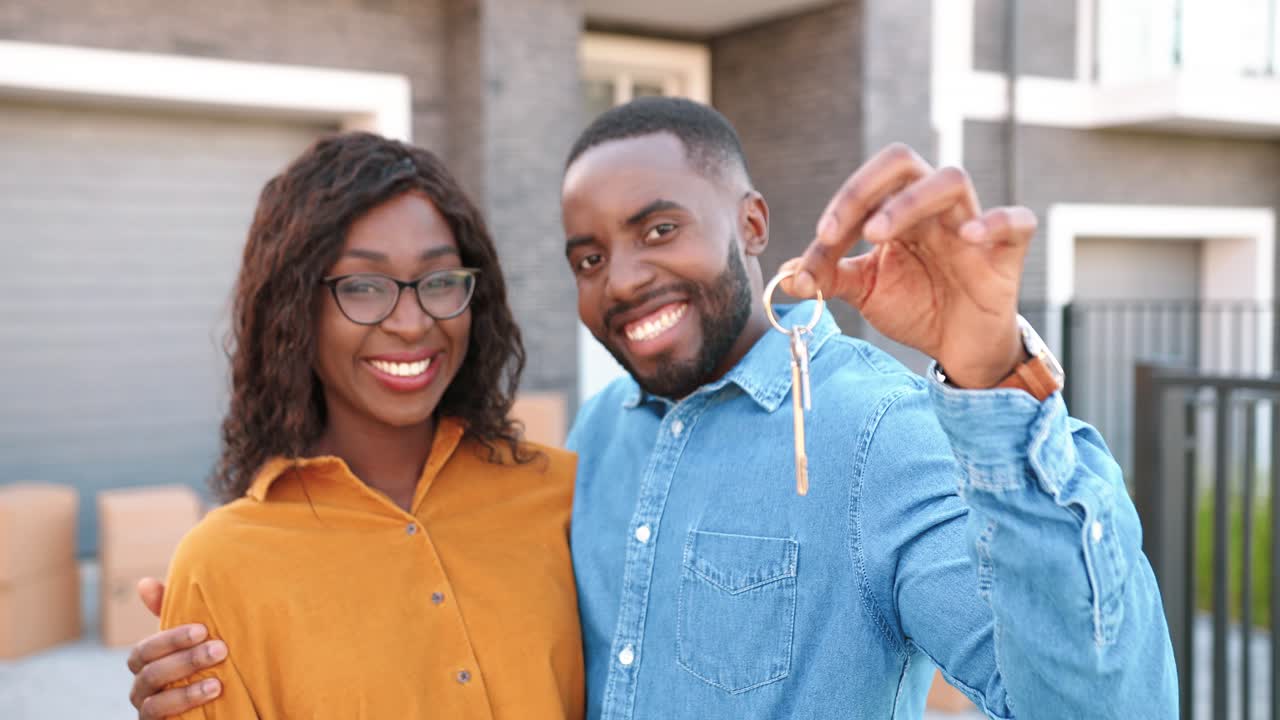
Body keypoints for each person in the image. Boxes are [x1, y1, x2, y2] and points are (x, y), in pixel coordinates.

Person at [128, 98, 1177, 719]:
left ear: (752, 222)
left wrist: (990, 374)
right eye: (588, 256)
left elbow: (1093, 707)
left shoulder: (875, 433)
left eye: (660, 228)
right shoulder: (594, 447)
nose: (623, 278)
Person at [136, 132, 583, 719]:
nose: (411, 323)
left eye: (440, 280)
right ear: (295, 308)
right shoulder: (221, 568)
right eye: (364, 287)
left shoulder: (567, 498)